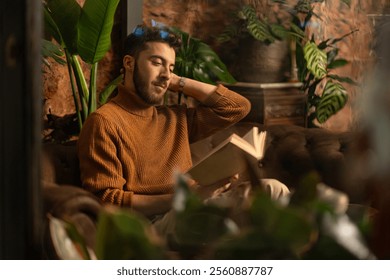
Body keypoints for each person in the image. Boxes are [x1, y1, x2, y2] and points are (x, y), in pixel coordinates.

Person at [77, 24, 289, 236]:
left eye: (170, 68)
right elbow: (106, 200)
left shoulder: (175, 117)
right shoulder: (104, 121)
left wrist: (178, 81)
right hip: (150, 224)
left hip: (192, 206)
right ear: (129, 63)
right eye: (156, 63)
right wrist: (186, 198)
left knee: (273, 189)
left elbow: (237, 107)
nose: (165, 75)